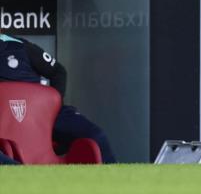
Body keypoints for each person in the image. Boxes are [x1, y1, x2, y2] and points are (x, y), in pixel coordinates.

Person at [0, 32, 116, 163]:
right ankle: (26, 179)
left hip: (44, 114)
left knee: (96, 136)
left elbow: (58, 72)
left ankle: (114, 182)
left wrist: (53, 107)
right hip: (5, 118)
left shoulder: (20, 46)